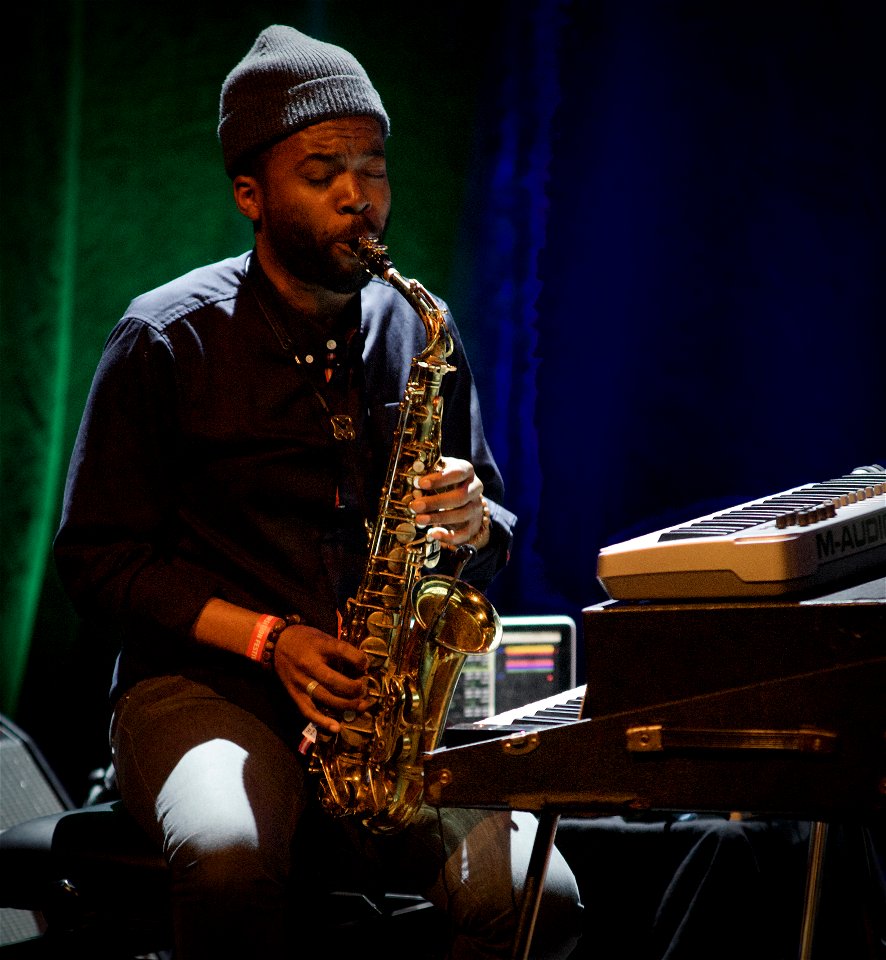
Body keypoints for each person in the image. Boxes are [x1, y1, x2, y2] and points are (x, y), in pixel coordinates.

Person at [53, 23, 583, 960]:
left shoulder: (421, 327)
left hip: (376, 704)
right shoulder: (165, 338)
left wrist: (469, 518)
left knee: (536, 894)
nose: (358, 197)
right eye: (323, 171)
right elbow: (97, 564)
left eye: (373, 167)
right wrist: (269, 638)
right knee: (226, 855)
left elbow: (495, 523)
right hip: (204, 689)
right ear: (251, 195)